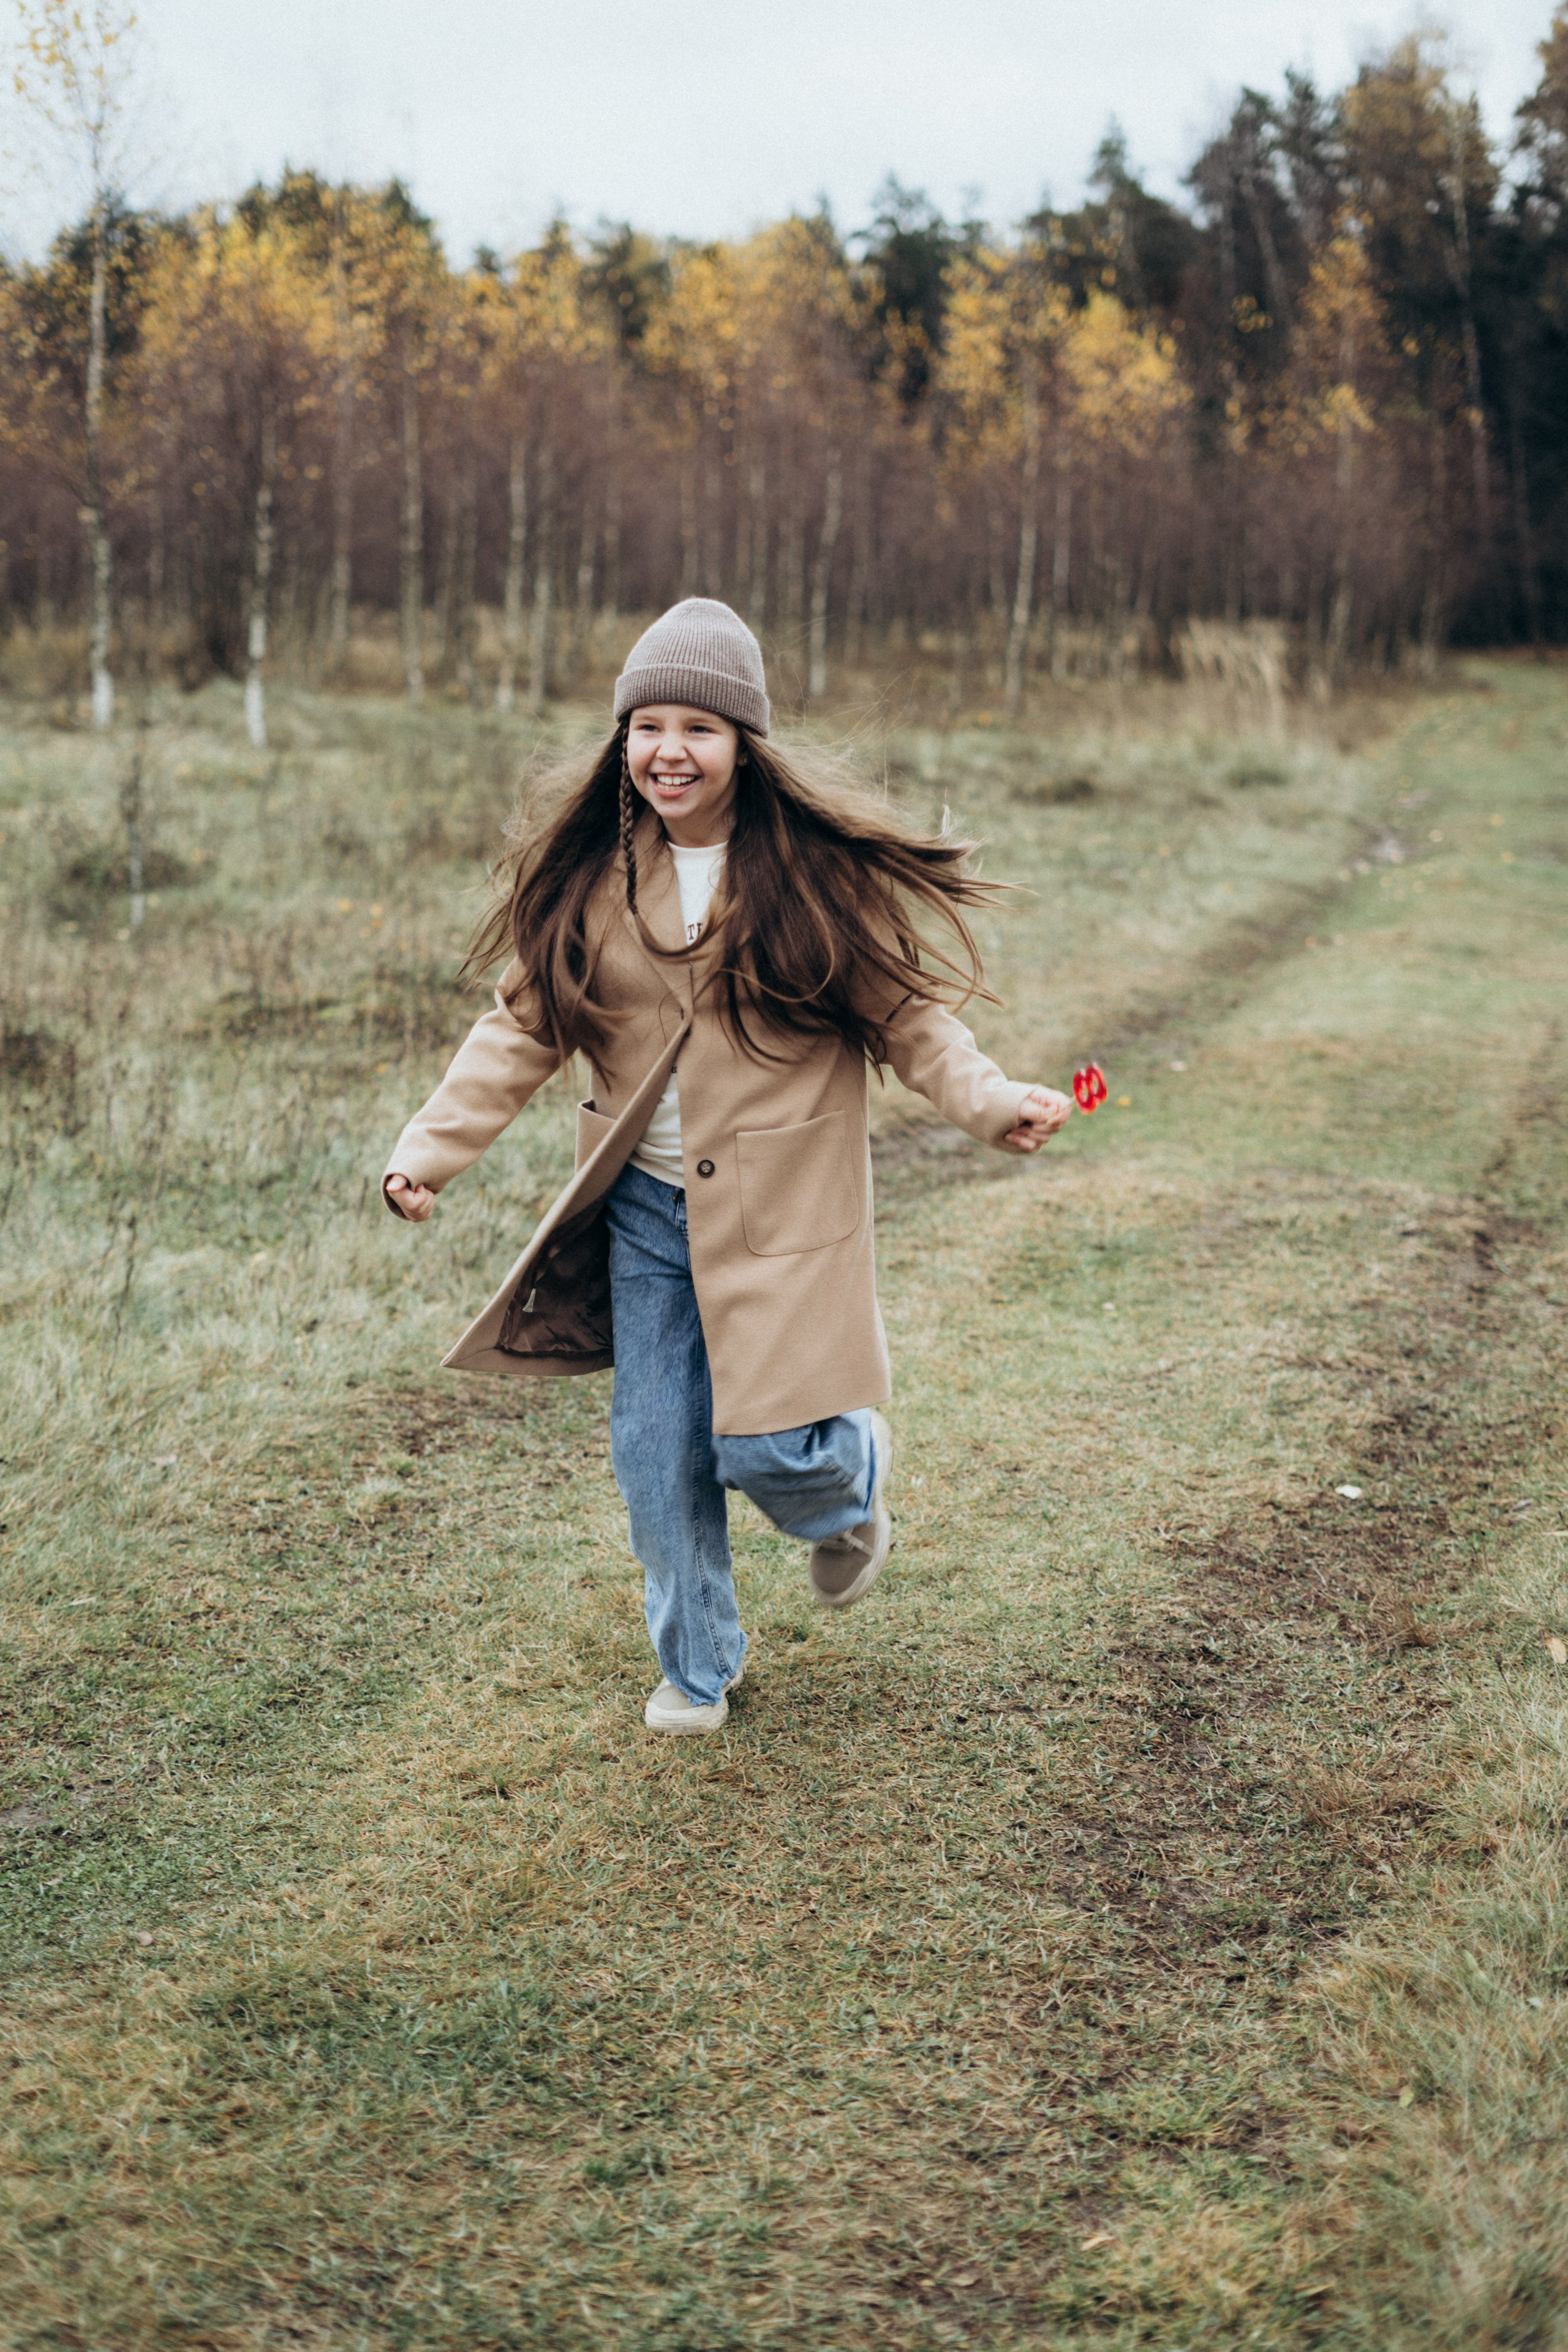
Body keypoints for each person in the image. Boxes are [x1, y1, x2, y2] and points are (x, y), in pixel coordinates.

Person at [383, 600, 1071, 1735]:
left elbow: (913, 1022)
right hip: (648, 1217)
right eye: (647, 725)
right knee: (657, 1455)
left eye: (698, 727)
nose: (669, 751)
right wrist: (428, 1154)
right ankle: (696, 1668)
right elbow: (519, 1032)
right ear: (623, 742)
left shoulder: (810, 880)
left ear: (745, 742)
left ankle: (848, 1480)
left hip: (785, 1211)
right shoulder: (596, 883)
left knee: (760, 1447)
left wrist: (991, 1105)